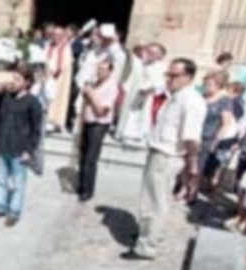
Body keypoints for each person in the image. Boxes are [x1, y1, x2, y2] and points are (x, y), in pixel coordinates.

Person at [123, 58, 207, 260]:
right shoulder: (175, 96)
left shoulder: (192, 101)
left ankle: (148, 245)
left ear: (187, 77)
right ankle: (146, 233)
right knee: (147, 198)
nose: (168, 79)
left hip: (168, 155)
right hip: (157, 151)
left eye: (173, 75)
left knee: (157, 202)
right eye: (168, 74)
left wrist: (192, 164)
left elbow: (191, 137)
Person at [0, 66, 42, 227]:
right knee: (0, 180)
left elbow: (36, 129)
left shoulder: (33, 103)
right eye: (12, 78)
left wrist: (29, 150)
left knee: (18, 184)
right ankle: (0, 207)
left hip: (20, 150)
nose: (13, 82)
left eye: (17, 79)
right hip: (3, 146)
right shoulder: (6, 97)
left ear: (27, 82)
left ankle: (14, 212)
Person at [77, 59, 119, 202]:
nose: (99, 72)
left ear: (109, 71)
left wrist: (91, 94)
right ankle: (81, 185)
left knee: (90, 158)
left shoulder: (112, 87)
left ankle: (87, 190)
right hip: (88, 121)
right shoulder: (94, 83)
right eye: (98, 69)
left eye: (103, 69)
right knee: (83, 155)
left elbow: (102, 110)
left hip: (99, 124)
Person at [117, 43, 169, 146]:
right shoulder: (139, 64)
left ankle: (141, 135)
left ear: (160, 55)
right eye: (149, 51)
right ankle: (125, 133)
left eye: (154, 53)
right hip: (134, 95)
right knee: (130, 114)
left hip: (150, 96)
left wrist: (151, 88)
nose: (150, 54)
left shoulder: (163, 67)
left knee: (145, 116)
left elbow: (164, 82)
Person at [198, 70, 236, 194]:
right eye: (205, 84)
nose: (206, 87)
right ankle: (183, 187)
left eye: (210, 84)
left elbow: (226, 123)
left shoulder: (224, 100)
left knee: (199, 166)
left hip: (208, 137)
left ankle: (192, 191)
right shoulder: (203, 96)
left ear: (218, 84)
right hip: (195, 134)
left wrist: (215, 141)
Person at [45, 25, 74, 133]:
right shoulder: (49, 45)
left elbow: (65, 64)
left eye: (58, 35)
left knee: (57, 100)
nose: (55, 37)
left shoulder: (66, 47)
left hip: (58, 79)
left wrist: (52, 71)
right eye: (54, 35)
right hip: (46, 76)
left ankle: (54, 121)